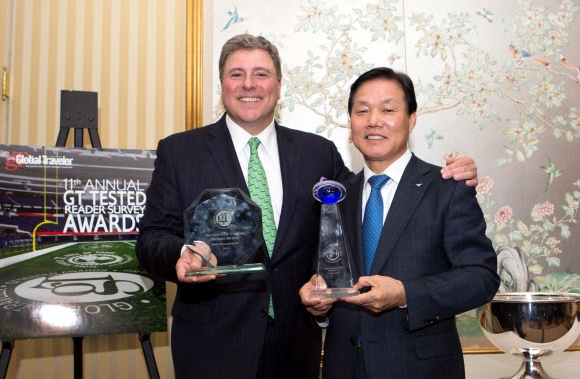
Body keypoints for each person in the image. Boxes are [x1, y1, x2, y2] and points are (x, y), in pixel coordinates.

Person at [135, 34, 479, 379]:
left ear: (279, 85)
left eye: (261, 74)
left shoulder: (318, 152)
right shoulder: (180, 152)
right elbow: (151, 238)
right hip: (212, 344)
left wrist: (453, 174)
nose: (249, 84)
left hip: (297, 343)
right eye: (236, 74)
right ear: (222, 83)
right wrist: (180, 254)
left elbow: (376, 195)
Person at [299, 67, 500, 379]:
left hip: (421, 368)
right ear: (351, 124)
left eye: (388, 109)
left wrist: (406, 293)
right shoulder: (337, 197)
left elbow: (481, 276)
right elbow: (326, 274)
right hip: (343, 366)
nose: (373, 120)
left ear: (412, 119)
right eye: (361, 110)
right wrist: (319, 301)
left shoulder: (446, 187)